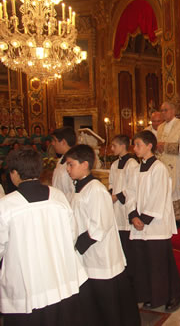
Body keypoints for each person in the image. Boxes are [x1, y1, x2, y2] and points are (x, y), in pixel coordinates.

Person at [0, 149, 90, 326]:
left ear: (15, 173)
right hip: (59, 277)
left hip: (28, 285)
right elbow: (72, 233)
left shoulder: (6, 205)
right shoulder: (58, 196)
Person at [65, 144, 141, 326]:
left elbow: (99, 225)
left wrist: (76, 248)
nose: (67, 169)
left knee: (109, 305)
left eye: (70, 164)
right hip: (89, 256)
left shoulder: (96, 190)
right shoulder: (80, 187)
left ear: (84, 165)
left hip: (101, 256)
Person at [129, 130, 180, 311]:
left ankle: (174, 294)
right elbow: (130, 193)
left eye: (138, 145)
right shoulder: (136, 169)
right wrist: (132, 215)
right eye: (135, 145)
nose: (135, 148)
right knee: (146, 261)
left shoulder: (158, 168)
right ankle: (153, 295)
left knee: (161, 262)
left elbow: (159, 196)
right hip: (140, 223)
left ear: (149, 146)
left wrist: (144, 218)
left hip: (155, 223)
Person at [156, 101, 180, 225]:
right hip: (162, 165)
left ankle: (176, 222)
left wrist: (165, 146)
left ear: (173, 111)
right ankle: (166, 221)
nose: (163, 113)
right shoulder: (160, 127)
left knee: (174, 192)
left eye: (165, 110)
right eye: (161, 110)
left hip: (176, 165)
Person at [109, 134, 139, 272]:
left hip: (125, 205)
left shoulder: (132, 163)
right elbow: (111, 183)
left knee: (127, 241)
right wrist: (111, 194)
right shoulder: (115, 164)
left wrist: (117, 197)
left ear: (123, 146)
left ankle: (130, 268)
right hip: (115, 206)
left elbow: (132, 186)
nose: (111, 148)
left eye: (114, 145)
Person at [51, 127, 76, 202]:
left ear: (63, 142)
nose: (52, 143)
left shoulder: (75, 162)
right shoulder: (61, 160)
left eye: (55, 141)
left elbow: (74, 190)